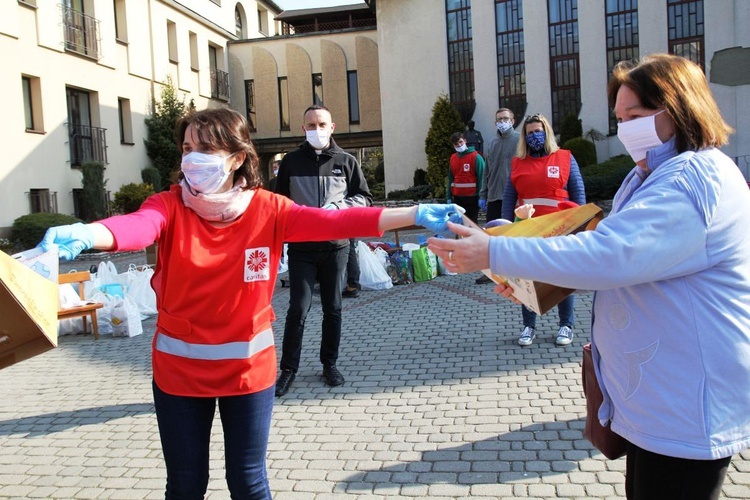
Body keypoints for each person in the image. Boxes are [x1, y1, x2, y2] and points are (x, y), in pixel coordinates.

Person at [38, 107, 464, 500]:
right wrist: (91, 233)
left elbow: (337, 219)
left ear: (237, 157)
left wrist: (412, 213)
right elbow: (137, 226)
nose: (191, 159)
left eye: (205, 148)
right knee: (186, 484)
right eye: (187, 148)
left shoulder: (270, 210)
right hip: (180, 374)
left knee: (248, 480)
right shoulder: (167, 205)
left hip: (248, 370)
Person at [428, 54, 750, 500]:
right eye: (620, 119)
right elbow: (616, 248)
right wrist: (520, 259)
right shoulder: (656, 173)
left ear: (679, 109)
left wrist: (497, 250)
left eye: (635, 116)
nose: (626, 129)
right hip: (659, 401)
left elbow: (610, 255)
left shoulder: (691, 179)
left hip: (688, 404)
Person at [274, 104, 372, 396]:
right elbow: (278, 203)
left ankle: (329, 364)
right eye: (310, 125)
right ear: (303, 128)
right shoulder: (290, 161)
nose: (316, 129)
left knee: (333, 308)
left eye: (322, 124)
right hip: (302, 248)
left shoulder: (347, 160)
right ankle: (288, 370)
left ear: (332, 127)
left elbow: (364, 197)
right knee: (298, 309)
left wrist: (340, 207)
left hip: (336, 247)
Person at [501, 113, 586, 347]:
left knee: (562, 279)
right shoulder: (518, 163)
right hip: (528, 230)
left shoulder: (565, 158)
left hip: (559, 230)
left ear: (546, 132)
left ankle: (565, 326)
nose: (534, 135)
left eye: (538, 131)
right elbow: (509, 200)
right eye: (529, 133)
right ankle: (529, 326)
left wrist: (580, 229)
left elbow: (578, 194)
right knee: (528, 280)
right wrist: (505, 229)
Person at [476, 108, 520, 284]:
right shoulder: (492, 143)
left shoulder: (519, 140)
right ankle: (492, 272)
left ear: (512, 121)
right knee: (491, 236)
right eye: (499, 120)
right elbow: (487, 170)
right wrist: (483, 194)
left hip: (512, 197)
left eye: (505, 119)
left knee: (512, 235)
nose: (502, 122)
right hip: (494, 196)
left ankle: (515, 271)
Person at [446, 131, 485, 223]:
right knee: (459, 226)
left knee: (471, 225)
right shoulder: (453, 158)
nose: (459, 145)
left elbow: (482, 178)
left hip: (472, 198)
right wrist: (448, 196)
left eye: (461, 142)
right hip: (458, 198)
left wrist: (482, 196)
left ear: (465, 141)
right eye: (456, 144)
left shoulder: (476, 157)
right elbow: (450, 178)